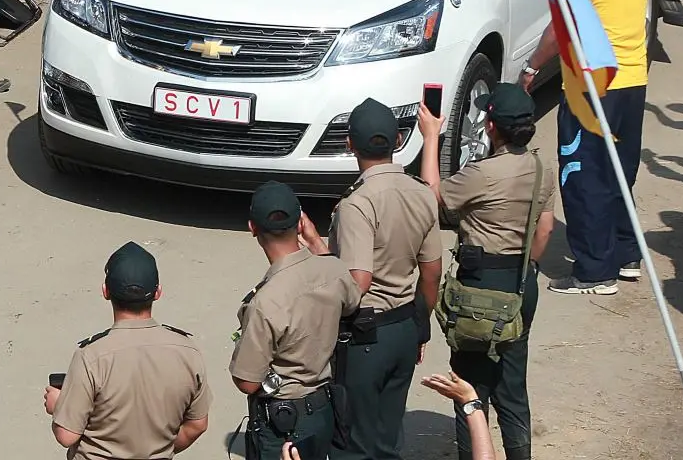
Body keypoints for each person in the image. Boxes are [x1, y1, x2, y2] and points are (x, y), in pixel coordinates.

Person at [418, 83, 554, 460]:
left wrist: (431, 138)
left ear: (491, 125)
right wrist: (528, 268)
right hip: (521, 282)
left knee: (470, 385)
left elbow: (433, 196)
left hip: (480, 289)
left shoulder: (482, 174)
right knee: (512, 383)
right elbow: (545, 229)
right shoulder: (542, 168)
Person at [314, 98, 442, 460]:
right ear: (398, 139)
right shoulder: (421, 193)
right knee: (387, 441)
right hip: (404, 326)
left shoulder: (358, 203)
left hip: (365, 336)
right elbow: (431, 272)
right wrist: (419, 324)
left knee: (351, 442)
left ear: (349, 144)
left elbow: (359, 280)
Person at [548, 0, 650, 294]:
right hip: (632, 86)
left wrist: (532, 67)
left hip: (590, 91)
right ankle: (626, 255)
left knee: (583, 175)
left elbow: (555, 35)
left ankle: (594, 270)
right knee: (621, 171)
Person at [230, 181, 360, 460]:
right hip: (324, 412)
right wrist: (316, 242)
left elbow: (247, 382)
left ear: (253, 228)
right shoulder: (334, 270)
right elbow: (352, 302)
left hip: (282, 426)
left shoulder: (265, 302)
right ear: (301, 223)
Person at [44, 242, 211, 458]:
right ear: (158, 292)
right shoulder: (188, 351)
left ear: (106, 291)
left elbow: (67, 435)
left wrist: (58, 406)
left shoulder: (91, 357)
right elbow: (197, 425)